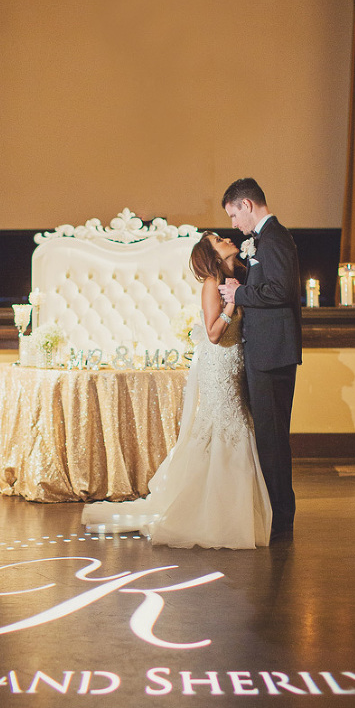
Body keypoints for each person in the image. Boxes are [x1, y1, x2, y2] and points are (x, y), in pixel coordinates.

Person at [81, 231, 271, 548]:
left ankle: (226, 509)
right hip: (218, 363)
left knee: (233, 423)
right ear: (212, 255)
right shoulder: (211, 284)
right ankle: (205, 510)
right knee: (221, 425)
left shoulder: (234, 278)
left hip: (233, 361)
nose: (227, 240)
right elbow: (213, 333)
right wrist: (231, 305)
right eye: (219, 241)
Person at [218, 177, 302, 539]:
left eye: (234, 215)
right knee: (268, 437)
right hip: (265, 351)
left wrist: (240, 293)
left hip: (272, 353)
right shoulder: (264, 239)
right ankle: (274, 512)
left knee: (273, 438)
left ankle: (280, 519)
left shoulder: (275, 238)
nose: (234, 224)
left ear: (247, 205)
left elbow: (281, 290)